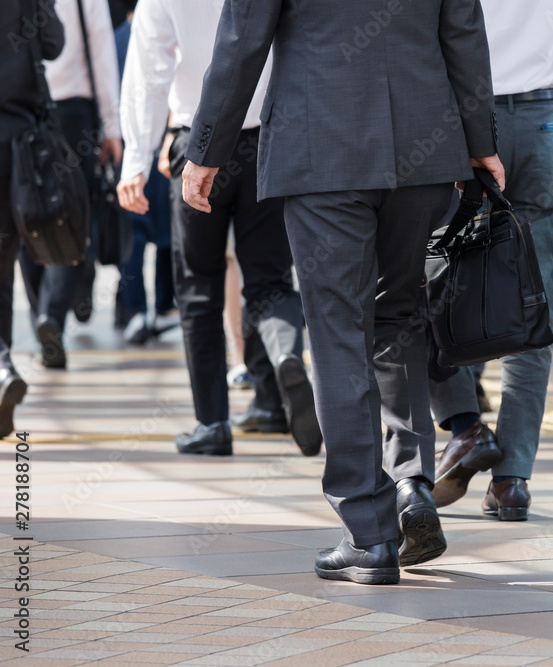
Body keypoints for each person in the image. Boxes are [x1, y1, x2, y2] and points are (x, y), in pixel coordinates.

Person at [182, 0, 502, 584]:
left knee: (337, 331)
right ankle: (410, 481)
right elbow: (462, 28)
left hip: (320, 146)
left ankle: (369, 533)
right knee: (399, 315)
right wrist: (480, 140)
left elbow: (242, 39)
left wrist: (207, 150)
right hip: (422, 145)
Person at [117, 0, 321, 458]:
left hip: (198, 143)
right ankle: (283, 363)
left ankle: (212, 423)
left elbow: (149, 72)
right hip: (270, 139)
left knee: (199, 287)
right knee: (270, 279)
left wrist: (136, 159)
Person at [427, 0, 553, 521]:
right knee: (533, 304)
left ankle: (465, 429)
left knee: (432, 288)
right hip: (545, 121)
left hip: (460, 124)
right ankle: (513, 480)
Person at [20, 0, 122, 370]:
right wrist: (113, 128)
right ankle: (52, 315)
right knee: (74, 215)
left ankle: (41, 318)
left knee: (26, 213)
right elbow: (102, 56)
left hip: (23, 113)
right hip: (73, 115)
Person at [0, 0, 64, 436]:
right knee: (3, 265)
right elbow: (53, 44)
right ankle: (1, 363)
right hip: (16, 146)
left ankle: (1, 364)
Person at [112, 1, 177, 345]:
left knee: (133, 237)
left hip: (129, 150)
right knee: (170, 236)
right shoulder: (172, 31)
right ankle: (166, 304)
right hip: (168, 145)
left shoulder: (116, 38)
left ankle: (133, 309)